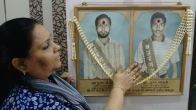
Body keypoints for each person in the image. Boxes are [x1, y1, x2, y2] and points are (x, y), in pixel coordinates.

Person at [0, 18, 141, 110]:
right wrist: (119, 88)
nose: (58, 47)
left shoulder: (43, 80)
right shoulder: (31, 104)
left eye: (51, 40)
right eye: (45, 46)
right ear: (21, 64)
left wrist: (59, 86)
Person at [134, 12, 180, 79]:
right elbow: (138, 67)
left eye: (161, 25)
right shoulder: (143, 44)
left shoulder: (171, 44)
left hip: (164, 79)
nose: (158, 28)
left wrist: (170, 85)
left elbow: (175, 72)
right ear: (151, 26)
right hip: (147, 80)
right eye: (155, 25)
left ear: (164, 26)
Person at [83, 14, 125, 79]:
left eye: (106, 26)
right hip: (96, 86)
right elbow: (87, 74)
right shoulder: (89, 47)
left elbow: (121, 70)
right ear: (96, 28)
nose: (103, 29)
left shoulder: (118, 47)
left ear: (110, 27)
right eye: (100, 26)